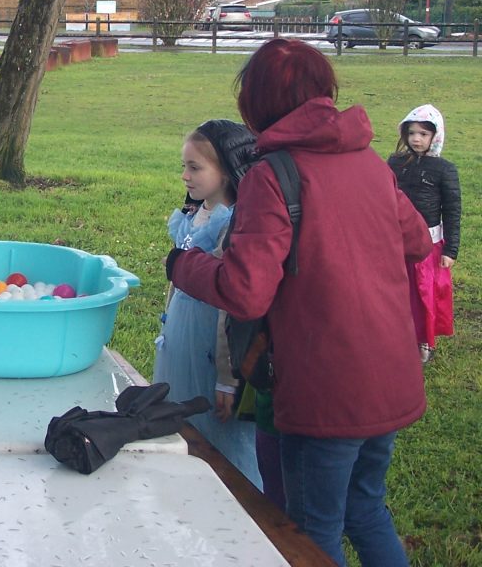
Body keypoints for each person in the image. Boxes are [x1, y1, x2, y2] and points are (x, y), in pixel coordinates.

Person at [165, 39, 431, 567]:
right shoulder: (370, 163)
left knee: (312, 534)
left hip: (326, 385)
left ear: (257, 103)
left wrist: (183, 264)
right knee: (367, 510)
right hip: (389, 375)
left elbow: (245, 289)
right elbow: (418, 239)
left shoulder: (272, 175)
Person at [154, 119, 262, 487]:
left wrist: (228, 379)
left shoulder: (234, 226)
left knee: (220, 442)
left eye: (195, 167)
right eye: (183, 166)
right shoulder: (191, 216)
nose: (185, 176)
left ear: (228, 171)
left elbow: (232, 307)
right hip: (182, 343)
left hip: (213, 357)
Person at [387, 104, 461, 364]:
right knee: (398, 293)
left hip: (429, 246)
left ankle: (424, 342)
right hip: (397, 243)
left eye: (423, 134)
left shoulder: (444, 170)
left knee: (424, 295)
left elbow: (452, 210)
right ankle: (398, 337)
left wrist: (451, 249)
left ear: (435, 136)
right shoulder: (395, 163)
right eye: (412, 133)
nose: (416, 139)